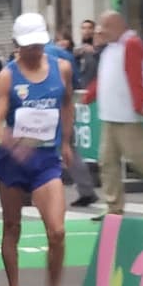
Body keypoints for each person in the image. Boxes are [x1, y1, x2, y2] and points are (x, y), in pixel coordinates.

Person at [0, 13, 77, 286]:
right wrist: (15, 145)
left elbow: (67, 103)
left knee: (57, 230)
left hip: (46, 161)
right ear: (17, 44)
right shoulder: (7, 77)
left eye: (38, 44)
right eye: (28, 46)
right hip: (13, 162)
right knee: (12, 226)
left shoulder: (61, 68)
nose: (34, 50)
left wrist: (65, 142)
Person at [83, 10, 143, 219]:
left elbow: (135, 76)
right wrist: (88, 96)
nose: (100, 31)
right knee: (107, 161)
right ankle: (113, 206)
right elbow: (103, 78)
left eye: (104, 26)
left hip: (128, 116)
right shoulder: (111, 48)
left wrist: (139, 107)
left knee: (139, 160)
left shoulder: (131, 44)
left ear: (117, 26)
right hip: (110, 114)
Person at [45, 36, 98, 207]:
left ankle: (31, 190)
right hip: (63, 104)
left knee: (33, 147)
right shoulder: (64, 55)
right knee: (69, 148)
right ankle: (86, 190)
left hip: (43, 105)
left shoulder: (33, 55)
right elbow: (75, 81)